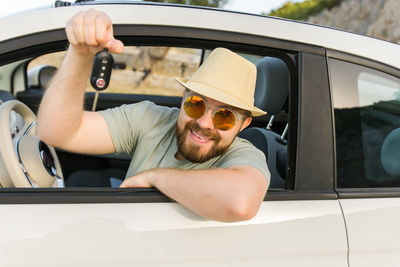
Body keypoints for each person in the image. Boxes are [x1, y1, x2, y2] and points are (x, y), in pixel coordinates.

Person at [37, 9, 270, 222]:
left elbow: (241, 202)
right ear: (183, 98)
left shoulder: (245, 154)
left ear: (244, 124)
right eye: (196, 104)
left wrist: (154, 177)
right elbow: (57, 132)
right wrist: (79, 55)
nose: (203, 122)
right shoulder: (150, 118)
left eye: (225, 116)